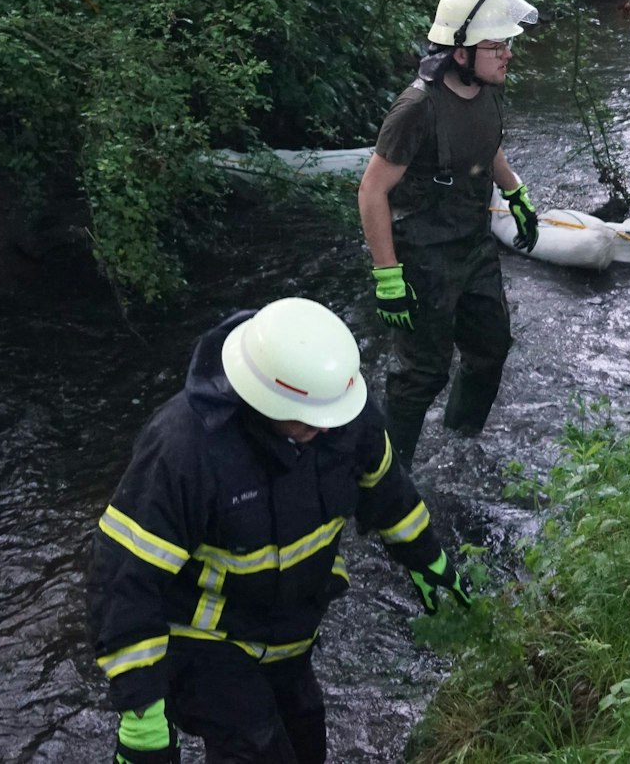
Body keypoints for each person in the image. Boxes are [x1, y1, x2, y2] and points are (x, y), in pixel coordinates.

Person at [88, 296, 473, 764]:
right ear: (263, 397)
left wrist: (430, 561)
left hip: (290, 632)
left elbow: (390, 494)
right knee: (256, 747)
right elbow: (124, 578)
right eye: (307, 420)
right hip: (204, 640)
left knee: (305, 739)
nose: (324, 428)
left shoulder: (341, 416)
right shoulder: (185, 449)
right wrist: (141, 709)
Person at [356, 0, 541, 466]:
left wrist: (515, 191)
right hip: (422, 257)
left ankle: (461, 445)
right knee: (422, 375)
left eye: (508, 45)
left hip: (473, 247)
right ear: (459, 52)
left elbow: (484, 145)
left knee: (491, 348)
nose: (508, 55)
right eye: (496, 47)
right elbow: (372, 191)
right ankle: (387, 489)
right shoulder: (416, 108)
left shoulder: (484, 91)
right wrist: (387, 275)